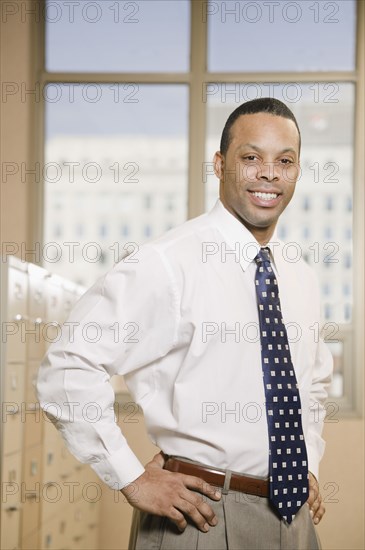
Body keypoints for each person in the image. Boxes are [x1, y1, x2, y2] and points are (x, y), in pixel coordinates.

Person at [37, 97, 333, 550]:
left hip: (292, 521)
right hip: (203, 517)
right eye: (251, 158)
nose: (269, 173)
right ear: (219, 164)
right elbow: (68, 366)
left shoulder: (300, 276)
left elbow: (311, 384)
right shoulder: (168, 263)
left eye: (285, 161)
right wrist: (132, 477)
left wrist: (306, 461)